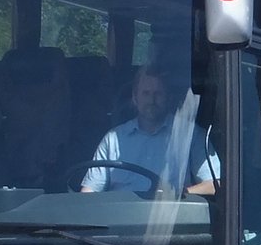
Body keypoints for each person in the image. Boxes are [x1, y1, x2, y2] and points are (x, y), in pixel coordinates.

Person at [80, 64, 219, 195]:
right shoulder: (113, 139)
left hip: (169, 211)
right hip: (118, 213)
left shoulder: (190, 135)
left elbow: (214, 184)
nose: (152, 100)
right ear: (135, 97)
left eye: (158, 94)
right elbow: (89, 192)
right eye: (146, 93)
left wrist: (180, 194)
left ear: (168, 97)